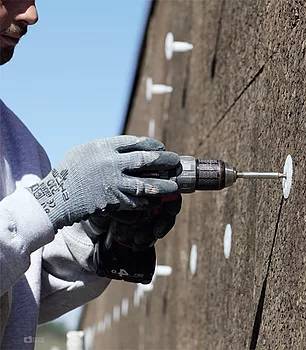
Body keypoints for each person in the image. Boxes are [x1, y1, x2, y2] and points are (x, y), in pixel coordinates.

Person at [0, 1, 181, 348]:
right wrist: (52, 200)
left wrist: (95, 236)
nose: (31, 15)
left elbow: (21, 294)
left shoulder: (18, 143)